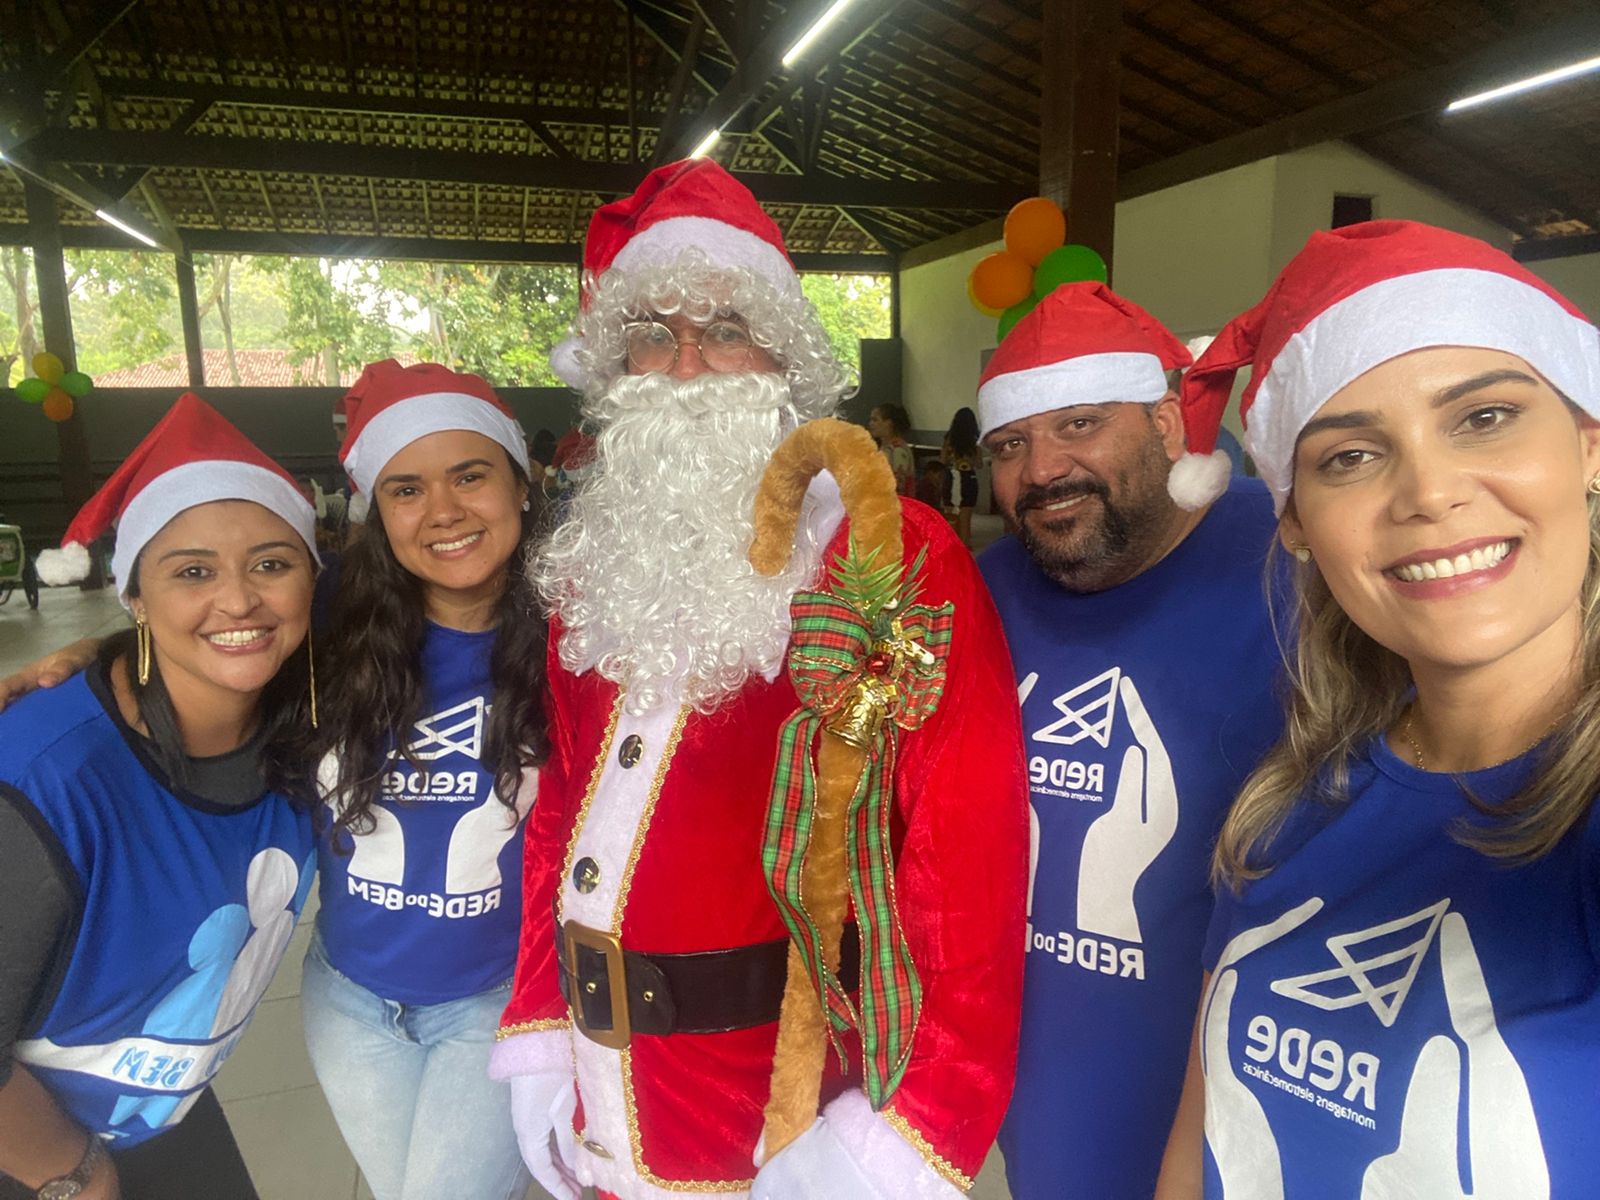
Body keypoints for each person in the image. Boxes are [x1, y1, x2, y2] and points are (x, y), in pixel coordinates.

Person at [494, 157, 1027, 1200]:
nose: (687, 365)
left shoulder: (883, 550)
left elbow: (967, 857)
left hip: (786, 1117)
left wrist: (902, 1132)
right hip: (605, 1096)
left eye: (725, 330)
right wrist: (543, 1029)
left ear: (780, 359)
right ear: (616, 368)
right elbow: (556, 810)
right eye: (655, 332)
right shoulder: (594, 563)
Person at [1153, 220, 1600, 1198]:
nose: (1429, 493)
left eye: (1482, 418)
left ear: (1586, 445)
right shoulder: (1282, 812)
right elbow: (1203, 1142)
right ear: (1298, 524)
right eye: (1350, 457)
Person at [974, 282, 1285, 1200]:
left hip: (1236, 1105)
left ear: (1163, 420)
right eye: (1011, 445)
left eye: (1078, 424)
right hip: (1034, 1094)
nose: (1041, 471)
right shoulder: (977, 593)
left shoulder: (1294, 564)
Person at [0, 394, 319, 1200]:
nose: (240, 599)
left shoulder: (310, 721)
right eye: (192, 572)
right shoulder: (44, 775)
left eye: (273, 564)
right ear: (134, 595)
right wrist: (72, 1175)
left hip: (158, 1116)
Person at [297, 361, 546, 1200]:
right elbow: (194, 655)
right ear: (378, 513)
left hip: (497, 1003)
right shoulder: (322, 625)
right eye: (406, 489)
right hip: (348, 997)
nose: (442, 511)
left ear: (522, 482)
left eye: (469, 476)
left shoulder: (586, 637)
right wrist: (87, 664)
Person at [940, 406, 980, 547]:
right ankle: (965, 545)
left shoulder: (949, 439)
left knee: (951, 514)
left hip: (952, 477)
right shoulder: (974, 440)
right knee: (966, 514)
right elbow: (979, 463)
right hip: (969, 478)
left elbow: (943, 460)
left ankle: (951, 545)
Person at [868, 402, 916, 495]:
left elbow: (898, 486)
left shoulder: (897, 450)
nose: (871, 424)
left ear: (889, 423)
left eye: (875, 420)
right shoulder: (885, 448)